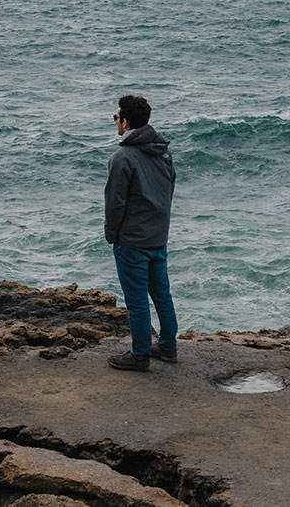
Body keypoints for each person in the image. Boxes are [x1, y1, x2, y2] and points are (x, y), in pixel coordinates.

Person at [104, 95, 178, 371]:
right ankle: (168, 347)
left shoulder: (122, 157)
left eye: (116, 117)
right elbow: (168, 191)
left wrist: (112, 234)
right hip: (158, 237)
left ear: (126, 122)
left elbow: (115, 203)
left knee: (136, 301)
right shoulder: (163, 152)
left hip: (132, 241)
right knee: (161, 294)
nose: (115, 122)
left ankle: (140, 355)